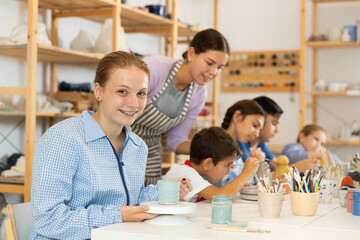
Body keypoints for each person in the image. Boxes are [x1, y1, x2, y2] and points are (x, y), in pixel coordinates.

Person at [30, 51, 191, 239]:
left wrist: (164, 192)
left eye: (141, 93)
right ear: (98, 91)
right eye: (122, 91)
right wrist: (118, 215)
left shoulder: (138, 146)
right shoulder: (63, 139)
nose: (133, 103)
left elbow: (130, 200)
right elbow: (47, 220)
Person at [131, 28, 230, 186]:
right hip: (118, 141)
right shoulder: (154, 68)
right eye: (209, 63)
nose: (213, 72)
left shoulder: (198, 95)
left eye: (220, 67)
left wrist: (212, 150)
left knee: (150, 203)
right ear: (191, 54)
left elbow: (175, 140)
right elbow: (119, 106)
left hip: (150, 152)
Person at [164, 127, 259, 201]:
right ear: (207, 163)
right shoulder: (185, 174)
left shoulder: (196, 173)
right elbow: (221, 197)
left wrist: (237, 186)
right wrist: (246, 173)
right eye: (226, 165)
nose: (229, 172)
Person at [216, 99, 266, 186]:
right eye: (254, 125)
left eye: (260, 130)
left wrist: (255, 165)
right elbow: (223, 184)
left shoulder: (235, 149)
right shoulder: (216, 145)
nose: (257, 134)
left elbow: (244, 181)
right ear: (238, 117)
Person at [237, 96, 283, 170]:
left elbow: (276, 165)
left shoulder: (260, 144)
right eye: (274, 123)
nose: (277, 130)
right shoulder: (239, 143)